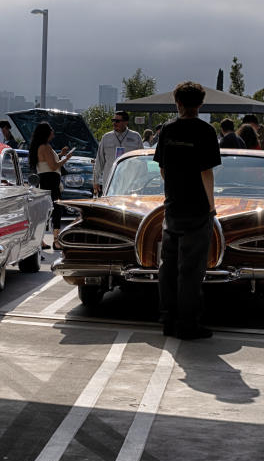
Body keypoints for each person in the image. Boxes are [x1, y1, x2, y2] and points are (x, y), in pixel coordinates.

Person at [154, 81, 221, 340]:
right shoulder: (206, 131)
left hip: (172, 207)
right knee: (191, 271)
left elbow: (162, 168)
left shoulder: (167, 130)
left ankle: (167, 321)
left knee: (168, 268)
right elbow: (206, 172)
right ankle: (188, 325)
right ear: (201, 104)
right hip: (197, 209)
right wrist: (212, 206)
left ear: (177, 102)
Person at [28, 121, 73, 250]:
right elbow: (53, 166)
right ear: (47, 132)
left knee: (44, 211)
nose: (53, 132)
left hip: (44, 179)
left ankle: (40, 239)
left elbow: (48, 163)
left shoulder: (40, 146)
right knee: (56, 208)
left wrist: (61, 155)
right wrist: (66, 158)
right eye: (51, 130)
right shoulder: (45, 147)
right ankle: (56, 240)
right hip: (51, 180)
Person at [94, 111, 142, 196]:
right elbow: (99, 160)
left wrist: (140, 181)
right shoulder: (106, 137)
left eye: (117, 121)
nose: (114, 123)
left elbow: (141, 161)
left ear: (126, 122)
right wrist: (96, 181)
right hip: (110, 180)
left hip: (130, 182)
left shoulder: (136, 137)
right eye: (113, 120)